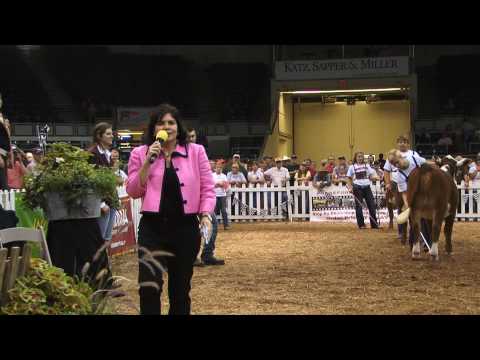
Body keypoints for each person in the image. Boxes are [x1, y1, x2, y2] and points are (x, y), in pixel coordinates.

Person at [126, 103, 215, 315]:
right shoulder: (140, 153)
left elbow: (208, 188)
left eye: (171, 122)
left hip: (185, 228)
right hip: (152, 228)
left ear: (178, 126)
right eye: (161, 123)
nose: (167, 127)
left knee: (180, 290)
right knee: (149, 287)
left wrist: (205, 214)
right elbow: (133, 190)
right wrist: (148, 162)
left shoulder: (196, 152)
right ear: (154, 129)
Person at [88, 122, 117, 243]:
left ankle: (104, 262)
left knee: (106, 238)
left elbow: (109, 179)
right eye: (108, 134)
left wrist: (115, 200)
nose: (112, 136)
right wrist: (100, 203)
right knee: (99, 239)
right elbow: (90, 180)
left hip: (111, 201)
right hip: (101, 204)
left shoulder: (108, 154)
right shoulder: (92, 153)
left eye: (112, 133)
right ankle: (98, 262)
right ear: (99, 136)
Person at [346, 151, 380, 229]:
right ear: (356, 158)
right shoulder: (352, 167)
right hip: (357, 188)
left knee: (371, 205)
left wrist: (376, 177)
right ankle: (361, 224)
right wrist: (350, 187)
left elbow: (371, 176)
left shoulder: (367, 165)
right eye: (358, 156)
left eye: (361, 156)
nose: (360, 158)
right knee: (359, 207)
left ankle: (374, 225)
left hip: (367, 187)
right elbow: (348, 177)